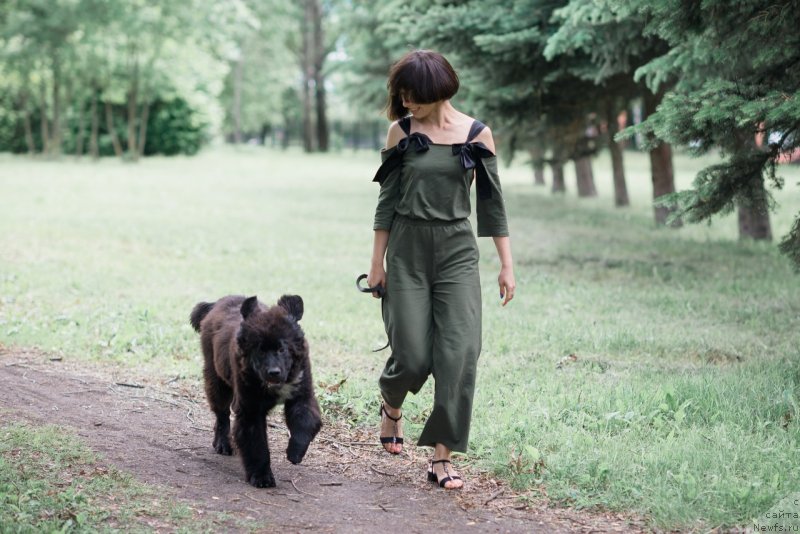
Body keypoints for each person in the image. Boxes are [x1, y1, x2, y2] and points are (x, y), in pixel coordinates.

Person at [366, 49, 515, 490]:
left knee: (459, 355)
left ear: (437, 90)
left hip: (456, 253)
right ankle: (391, 403)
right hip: (408, 252)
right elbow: (387, 202)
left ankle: (441, 458)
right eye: (402, 95)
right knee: (412, 356)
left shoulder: (477, 135)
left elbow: (492, 204)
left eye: (413, 95)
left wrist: (507, 265)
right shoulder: (401, 132)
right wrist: (377, 262)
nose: (406, 102)